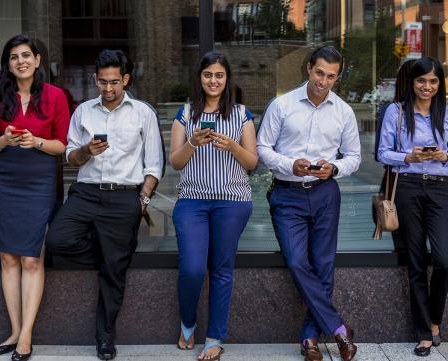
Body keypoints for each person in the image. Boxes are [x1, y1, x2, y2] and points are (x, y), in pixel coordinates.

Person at [45, 49, 163, 360]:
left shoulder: (143, 113)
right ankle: (110, 252)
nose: (108, 89)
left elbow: (154, 165)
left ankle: (105, 338)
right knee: (57, 240)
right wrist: (87, 151)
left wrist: (143, 201)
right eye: (102, 82)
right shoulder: (83, 111)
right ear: (95, 80)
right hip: (85, 192)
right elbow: (70, 157)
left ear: (125, 79)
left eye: (114, 82)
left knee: (114, 273)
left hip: (124, 196)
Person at [256, 46, 361, 361]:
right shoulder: (283, 105)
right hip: (287, 194)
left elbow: (354, 156)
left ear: (337, 76)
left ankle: (309, 339)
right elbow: (263, 147)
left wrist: (336, 168)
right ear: (308, 69)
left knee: (324, 266)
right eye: (319, 73)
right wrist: (291, 165)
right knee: (297, 261)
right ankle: (340, 329)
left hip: (326, 192)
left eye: (331, 76)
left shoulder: (343, 111)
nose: (323, 81)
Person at [0, 34, 70, 361]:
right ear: (8, 64)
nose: (20, 61)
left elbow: (62, 145)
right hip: (4, 178)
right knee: (8, 258)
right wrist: (3, 140)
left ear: (37, 60)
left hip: (38, 179)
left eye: (25, 55)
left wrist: (35, 142)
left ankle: (27, 336)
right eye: (13, 57)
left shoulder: (55, 96)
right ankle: (14, 330)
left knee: (32, 257)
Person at [170, 51, 257, 361]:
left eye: (219, 75)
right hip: (191, 201)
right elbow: (175, 163)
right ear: (199, 78)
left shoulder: (242, 114)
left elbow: (251, 162)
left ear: (227, 79)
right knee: (192, 268)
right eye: (208, 75)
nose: (214, 80)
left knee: (222, 270)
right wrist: (193, 143)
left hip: (232, 201)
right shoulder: (184, 113)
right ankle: (188, 322)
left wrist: (231, 144)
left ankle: (214, 337)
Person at [378, 57, 448, 357]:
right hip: (408, 188)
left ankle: (435, 320)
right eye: (421, 81)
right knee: (415, 262)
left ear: (440, 84)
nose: (427, 87)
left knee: (444, 261)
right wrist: (408, 157)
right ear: (412, 83)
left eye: (433, 81)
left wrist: (443, 157)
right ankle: (424, 333)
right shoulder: (396, 112)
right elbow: (383, 153)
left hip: (439, 189)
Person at [372, 59, 415, 253]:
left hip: (394, 176)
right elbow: (381, 153)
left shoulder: (388, 109)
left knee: (403, 240)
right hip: (398, 179)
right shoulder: (392, 111)